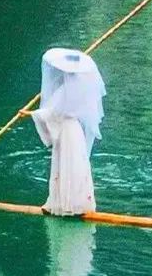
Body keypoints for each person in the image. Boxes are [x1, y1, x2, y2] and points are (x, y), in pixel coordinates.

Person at [20, 48, 106, 216]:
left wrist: (29, 114)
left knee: (65, 162)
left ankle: (64, 203)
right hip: (75, 131)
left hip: (66, 131)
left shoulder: (64, 90)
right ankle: (77, 202)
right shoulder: (82, 89)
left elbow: (51, 113)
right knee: (76, 163)